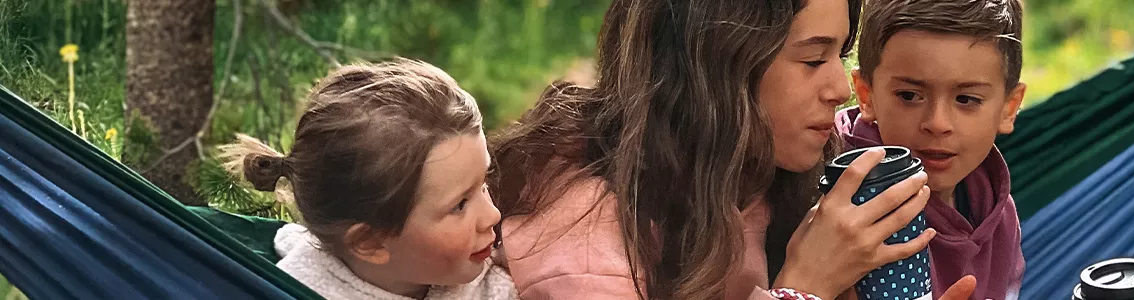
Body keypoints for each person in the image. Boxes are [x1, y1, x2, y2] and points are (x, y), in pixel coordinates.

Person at [484, 0, 966, 299]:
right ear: (718, 65)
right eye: (813, 59)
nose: (839, 89)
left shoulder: (754, 183)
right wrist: (805, 287)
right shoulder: (589, 232)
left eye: (839, 56)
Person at [221, 59, 516, 300]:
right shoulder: (294, 291)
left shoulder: (500, 273)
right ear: (370, 242)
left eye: (483, 183)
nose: (493, 214)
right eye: (460, 205)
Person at [835, 0, 1027, 299]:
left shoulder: (997, 208)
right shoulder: (846, 205)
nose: (937, 123)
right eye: (909, 95)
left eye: (966, 99)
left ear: (1009, 107)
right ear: (865, 95)